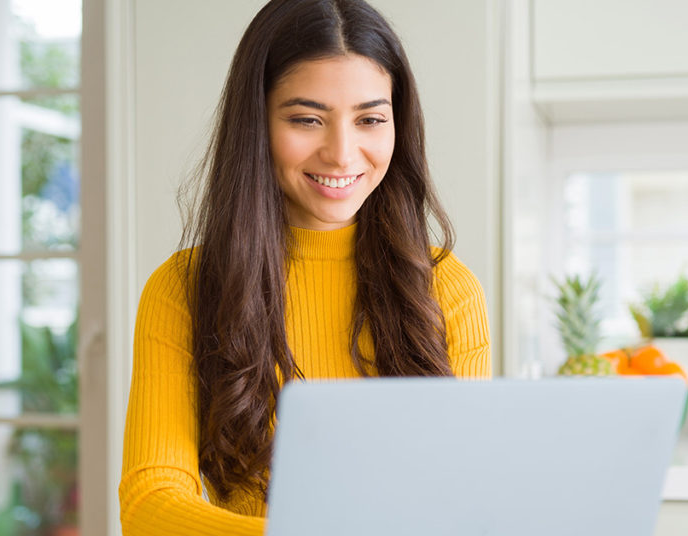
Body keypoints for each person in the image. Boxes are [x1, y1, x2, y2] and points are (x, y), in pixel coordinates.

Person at [118, 0, 491, 533]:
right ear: (258, 123)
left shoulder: (449, 289)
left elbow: (467, 502)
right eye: (307, 119)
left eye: (370, 119)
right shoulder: (183, 288)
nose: (342, 153)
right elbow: (150, 504)